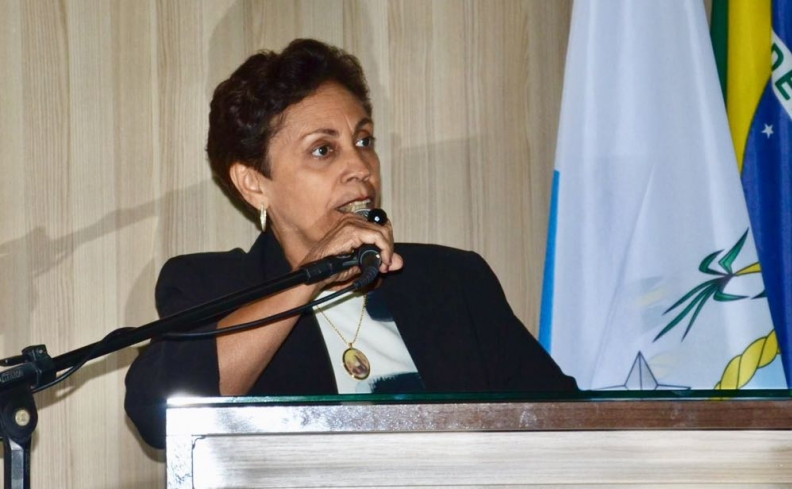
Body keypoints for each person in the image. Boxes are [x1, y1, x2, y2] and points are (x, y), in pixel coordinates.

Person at [124, 38, 576, 449]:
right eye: (323, 149)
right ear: (254, 184)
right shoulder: (212, 286)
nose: (361, 166)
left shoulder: (454, 280)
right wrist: (309, 278)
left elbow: (567, 422)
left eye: (364, 139)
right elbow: (158, 413)